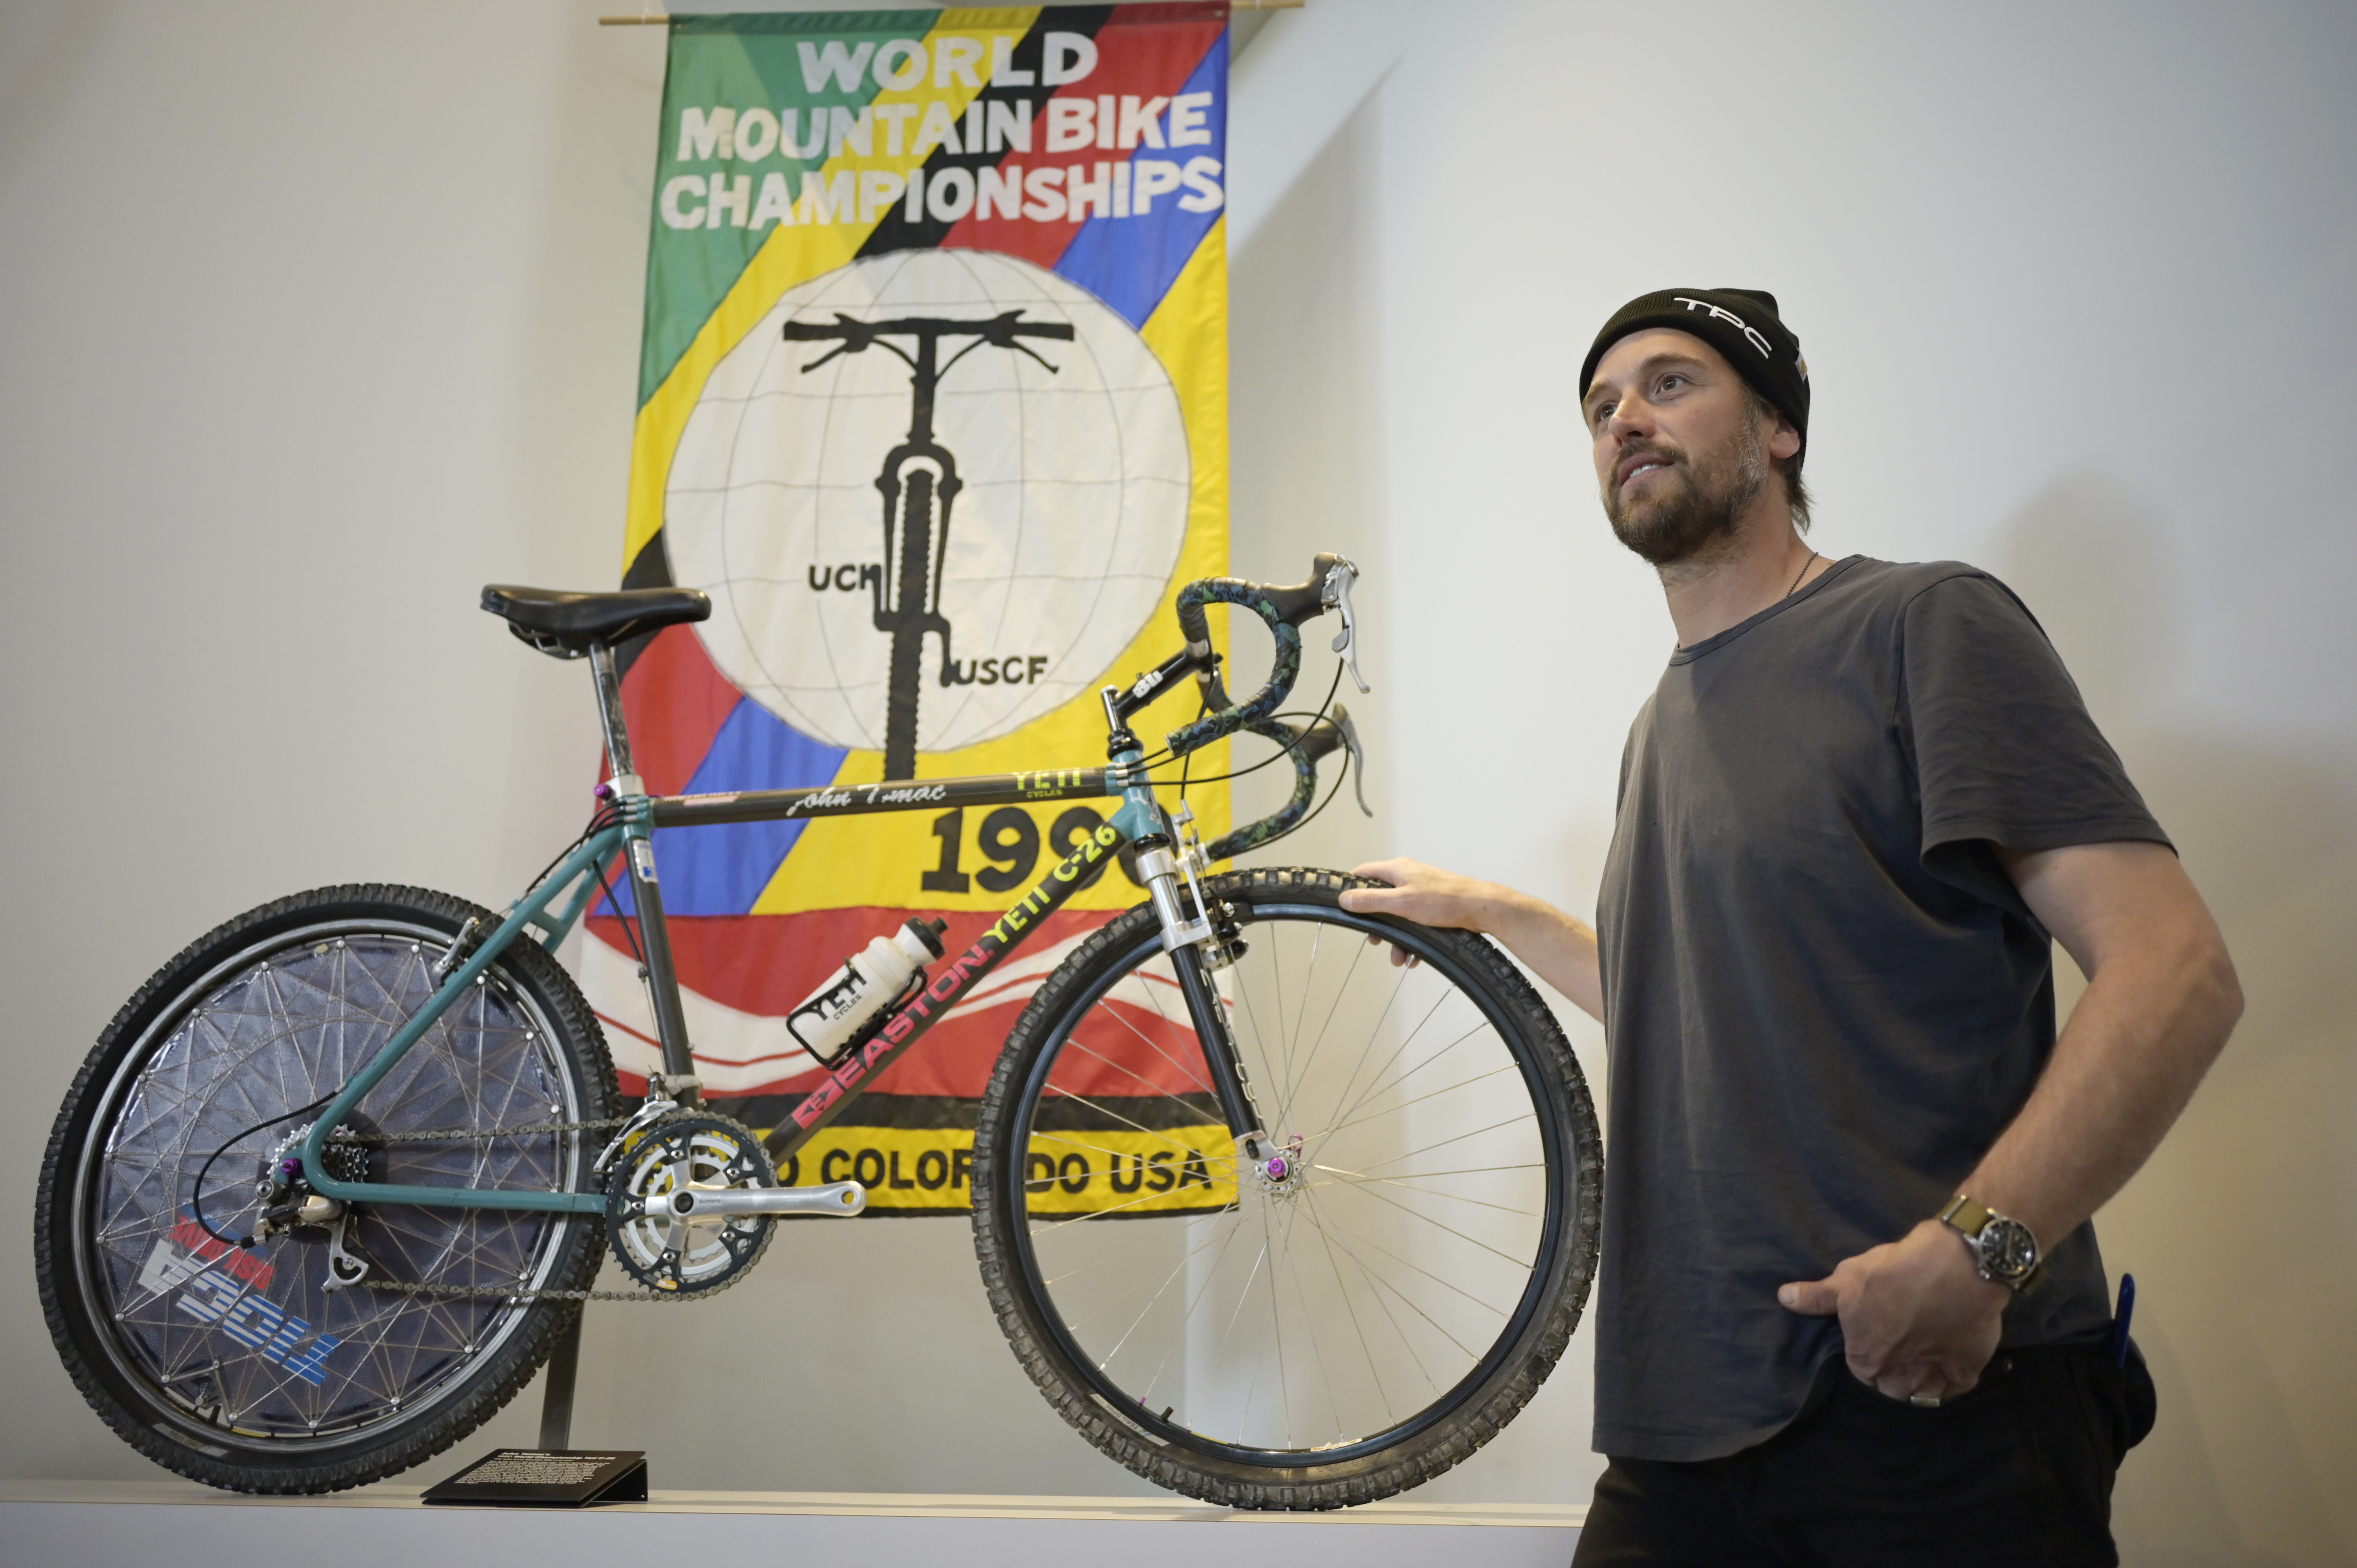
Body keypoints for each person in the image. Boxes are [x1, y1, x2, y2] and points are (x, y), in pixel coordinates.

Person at [1338, 288, 2242, 1564]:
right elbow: (1713, 1012)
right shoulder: (1660, 728)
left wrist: (1975, 1259)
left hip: (1931, 1407)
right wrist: (1500, 915)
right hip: (1679, 1432)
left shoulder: (1921, 627)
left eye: (1668, 383)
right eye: (1599, 408)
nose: (1624, 423)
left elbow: (2178, 970)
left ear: (1777, 431)